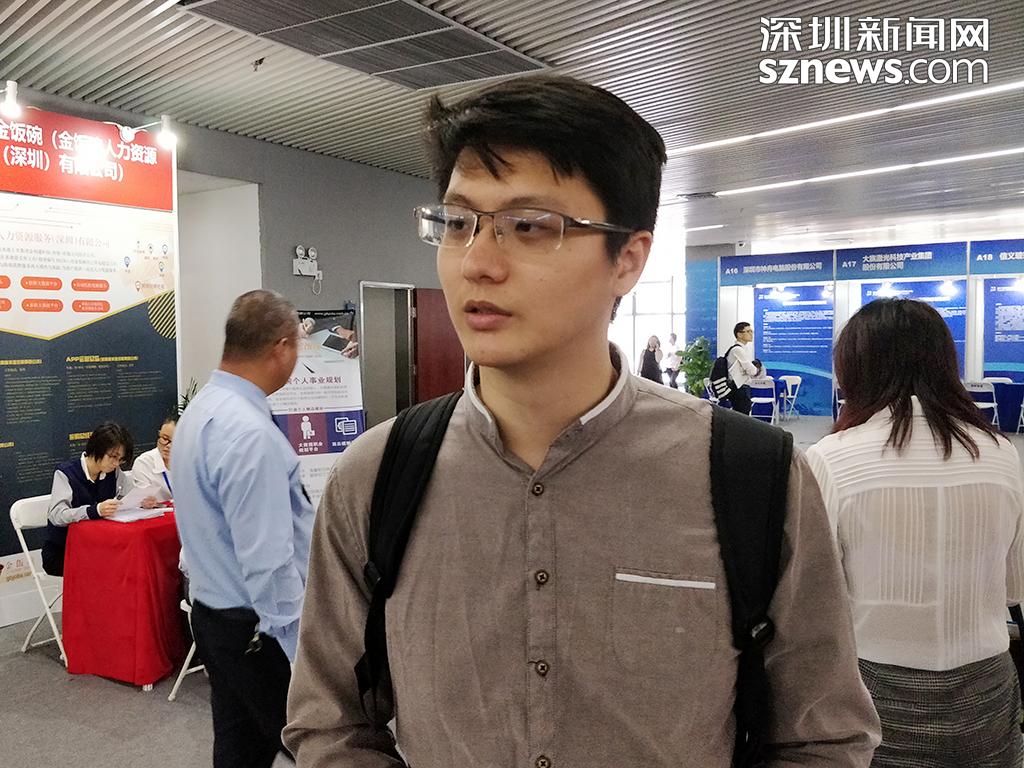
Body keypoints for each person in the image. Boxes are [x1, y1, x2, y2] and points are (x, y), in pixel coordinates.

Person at [284, 74, 879, 767]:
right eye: (458, 223)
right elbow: (327, 723)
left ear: (627, 259)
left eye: (530, 226)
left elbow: (822, 739)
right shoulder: (378, 476)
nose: (477, 262)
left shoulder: (754, 477)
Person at [806, 298, 1024, 767]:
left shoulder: (831, 458)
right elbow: (1012, 587)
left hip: (872, 692)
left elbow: (815, 602)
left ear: (856, 369)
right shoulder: (1001, 453)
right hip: (987, 692)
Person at [174, 289, 314, 768]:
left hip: (215, 616)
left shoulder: (201, 411)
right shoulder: (250, 435)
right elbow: (268, 561)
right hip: (260, 630)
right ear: (281, 347)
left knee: (239, 748)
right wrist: (300, 649)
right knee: (320, 745)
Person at [44, 422, 146, 576]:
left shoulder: (114, 472)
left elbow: (127, 496)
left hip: (99, 545)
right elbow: (57, 515)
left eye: (121, 459)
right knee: (110, 566)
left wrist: (142, 501)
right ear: (97, 448)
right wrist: (94, 510)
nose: (116, 464)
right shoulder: (66, 473)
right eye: (113, 457)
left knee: (132, 560)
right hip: (63, 549)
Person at [130, 415, 176, 502]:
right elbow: (142, 500)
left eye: (176, 441)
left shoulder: (190, 462)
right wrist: (146, 502)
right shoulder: (144, 463)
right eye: (165, 439)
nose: (168, 446)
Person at [726, 322, 761, 415]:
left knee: (742, 415)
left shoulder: (743, 349)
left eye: (751, 331)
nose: (751, 334)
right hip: (739, 388)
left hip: (741, 387)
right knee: (742, 416)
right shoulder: (738, 350)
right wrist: (755, 368)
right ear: (739, 334)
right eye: (748, 331)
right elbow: (752, 370)